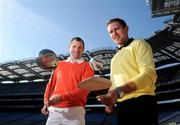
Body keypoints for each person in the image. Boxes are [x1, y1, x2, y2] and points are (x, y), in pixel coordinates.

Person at [97, 18, 158, 125]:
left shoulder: (139, 44)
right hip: (122, 108)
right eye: (111, 32)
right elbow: (113, 85)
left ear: (126, 29)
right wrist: (109, 103)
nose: (114, 33)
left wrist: (119, 90)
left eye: (117, 29)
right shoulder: (114, 59)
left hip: (142, 102)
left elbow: (149, 75)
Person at [41, 37, 94, 125]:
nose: (76, 50)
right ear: (69, 47)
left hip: (76, 111)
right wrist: (45, 102)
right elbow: (51, 85)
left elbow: (84, 90)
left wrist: (61, 98)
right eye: (74, 46)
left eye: (80, 47)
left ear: (83, 50)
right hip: (54, 111)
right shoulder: (58, 64)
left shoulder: (88, 66)